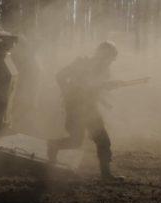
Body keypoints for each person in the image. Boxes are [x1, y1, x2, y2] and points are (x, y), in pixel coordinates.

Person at [47, 41, 120, 180]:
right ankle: (53, 146)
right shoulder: (82, 63)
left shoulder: (104, 70)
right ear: (102, 55)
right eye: (108, 58)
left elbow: (94, 88)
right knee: (76, 140)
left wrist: (107, 86)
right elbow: (60, 75)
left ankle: (106, 174)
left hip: (89, 109)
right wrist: (67, 90)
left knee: (103, 140)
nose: (110, 62)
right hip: (75, 107)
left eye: (111, 59)